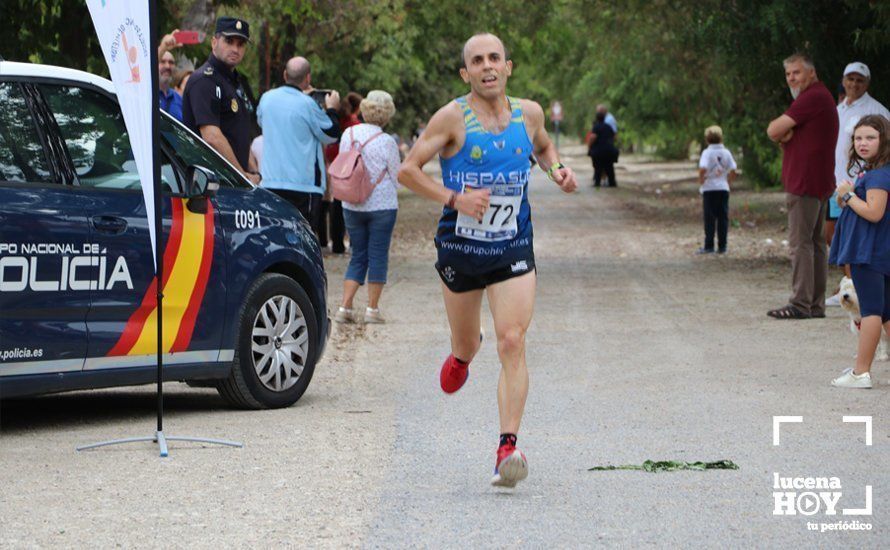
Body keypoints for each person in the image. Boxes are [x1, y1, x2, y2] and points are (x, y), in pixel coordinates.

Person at [398, 33, 577, 488]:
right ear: (466, 74)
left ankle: (507, 448)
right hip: (461, 247)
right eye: (477, 61)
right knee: (469, 344)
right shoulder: (452, 118)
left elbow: (542, 147)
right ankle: (461, 355)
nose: (487, 66)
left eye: (494, 58)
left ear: (508, 66)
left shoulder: (529, 113)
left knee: (512, 339)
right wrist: (454, 198)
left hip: (513, 243)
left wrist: (557, 170)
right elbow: (408, 171)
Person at [766, 53, 838, 320]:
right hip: (819, 181)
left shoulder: (811, 97)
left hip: (805, 182)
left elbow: (773, 131)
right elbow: (783, 133)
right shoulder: (820, 97)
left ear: (811, 72)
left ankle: (800, 303)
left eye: (796, 73)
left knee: (801, 244)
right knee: (816, 244)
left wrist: (785, 133)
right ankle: (814, 305)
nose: (792, 78)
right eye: (788, 74)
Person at [828, 115, 890, 388]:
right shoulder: (879, 171)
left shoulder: (878, 175)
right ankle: (861, 370)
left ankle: (860, 372)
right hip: (879, 251)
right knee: (886, 312)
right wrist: (850, 196)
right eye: (858, 138)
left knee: (872, 311)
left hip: (870, 252)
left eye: (870, 138)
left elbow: (874, 213)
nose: (863, 143)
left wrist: (848, 195)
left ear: (884, 140)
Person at [333, 91, 401, 324]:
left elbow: (345, 165)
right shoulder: (387, 141)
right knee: (378, 255)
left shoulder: (348, 134)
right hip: (382, 206)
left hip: (351, 204)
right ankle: (372, 310)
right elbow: (396, 176)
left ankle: (345, 307)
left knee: (357, 255)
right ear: (387, 114)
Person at [825, 62, 890, 306]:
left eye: (859, 80)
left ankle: (860, 291)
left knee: (859, 235)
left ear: (867, 83)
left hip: (863, 184)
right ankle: (849, 286)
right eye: (850, 79)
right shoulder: (838, 108)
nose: (854, 84)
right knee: (835, 233)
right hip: (838, 181)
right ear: (843, 81)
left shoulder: (877, 110)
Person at [257, 57, 341, 233]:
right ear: (308, 78)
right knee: (304, 239)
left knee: (274, 236)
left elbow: (261, 122)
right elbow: (331, 135)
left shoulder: (266, 99)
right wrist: (332, 108)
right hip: (304, 185)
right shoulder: (308, 104)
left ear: (285, 74)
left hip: (271, 181)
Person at [182, 17, 260, 184]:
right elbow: (211, 136)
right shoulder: (204, 80)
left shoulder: (237, 82)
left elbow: (238, 133)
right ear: (214, 42)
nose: (235, 49)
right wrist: (242, 176)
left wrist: (253, 171)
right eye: (229, 41)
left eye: (240, 44)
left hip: (233, 181)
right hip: (210, 185)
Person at [324, 92, 363, 255]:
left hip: (335, 166)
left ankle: (338, 244)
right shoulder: (354, 124)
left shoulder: (335, 119)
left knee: (337, 207)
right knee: (353, 206)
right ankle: (354, 243)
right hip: (350, 168)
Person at [696, 125, 737, 254]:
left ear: (707, 139)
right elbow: (733, 169)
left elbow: (703, 167)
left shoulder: (707, 152)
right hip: (723, 189)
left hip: (709, 189)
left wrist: (701, 179)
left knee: (709, 218)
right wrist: (728, 181)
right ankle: (722, 246)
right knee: (722, 217)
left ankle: (709, 246)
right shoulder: (726, 152)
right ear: (721, 138)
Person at [587, 111, 618, 187]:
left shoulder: (596, 127)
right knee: (609, 167)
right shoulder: (608, 127)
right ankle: (612, 182)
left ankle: (597, 182)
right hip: (609, 151)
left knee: (598, 167)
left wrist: (589, 147)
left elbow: (593, 137)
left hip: (598, 152)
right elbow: (615, 137)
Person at [157, 30, 183, 121]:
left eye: (171, 62)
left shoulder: (179, 99)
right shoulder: (146, 92)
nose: (167, 66)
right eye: (162, 62)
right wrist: (163, 47)